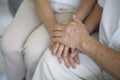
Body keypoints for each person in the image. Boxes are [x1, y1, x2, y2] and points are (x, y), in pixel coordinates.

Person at [0, 0, 97, 80]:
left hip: (75, 11)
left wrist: (72, 28)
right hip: (38, 3)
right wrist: (56, 36)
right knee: (8, 45)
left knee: (33, 53)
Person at [32, 0, 120, 80]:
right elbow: (101, 5)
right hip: (104, 46)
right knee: (50, 61)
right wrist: (74, 33)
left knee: (32, 52)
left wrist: (83, 41)